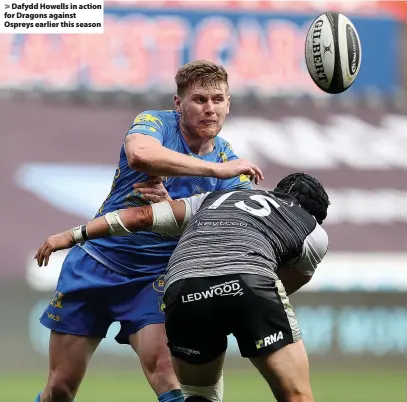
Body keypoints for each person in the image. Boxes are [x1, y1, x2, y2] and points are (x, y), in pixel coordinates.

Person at [34, 60, 264, 402]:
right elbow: (140, 155)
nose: (210, 108)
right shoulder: (157, 124)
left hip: (153, 279)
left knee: (167, 374)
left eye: (218, 99)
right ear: (178, 104)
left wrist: (172, 210)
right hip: (96, 261)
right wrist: (215, 170)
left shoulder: (233, 170)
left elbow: (228, 234)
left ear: (228, 104)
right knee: (61, 387)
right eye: (199, 99)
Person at [36, 172, 330, 402]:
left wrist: (75, 234)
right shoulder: (312, 229)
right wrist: (239, 309)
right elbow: (284, 283)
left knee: (197, 397)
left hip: (182, 285)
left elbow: (142, 216)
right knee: (296, 395)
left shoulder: (214, 198)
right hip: (249, 282)